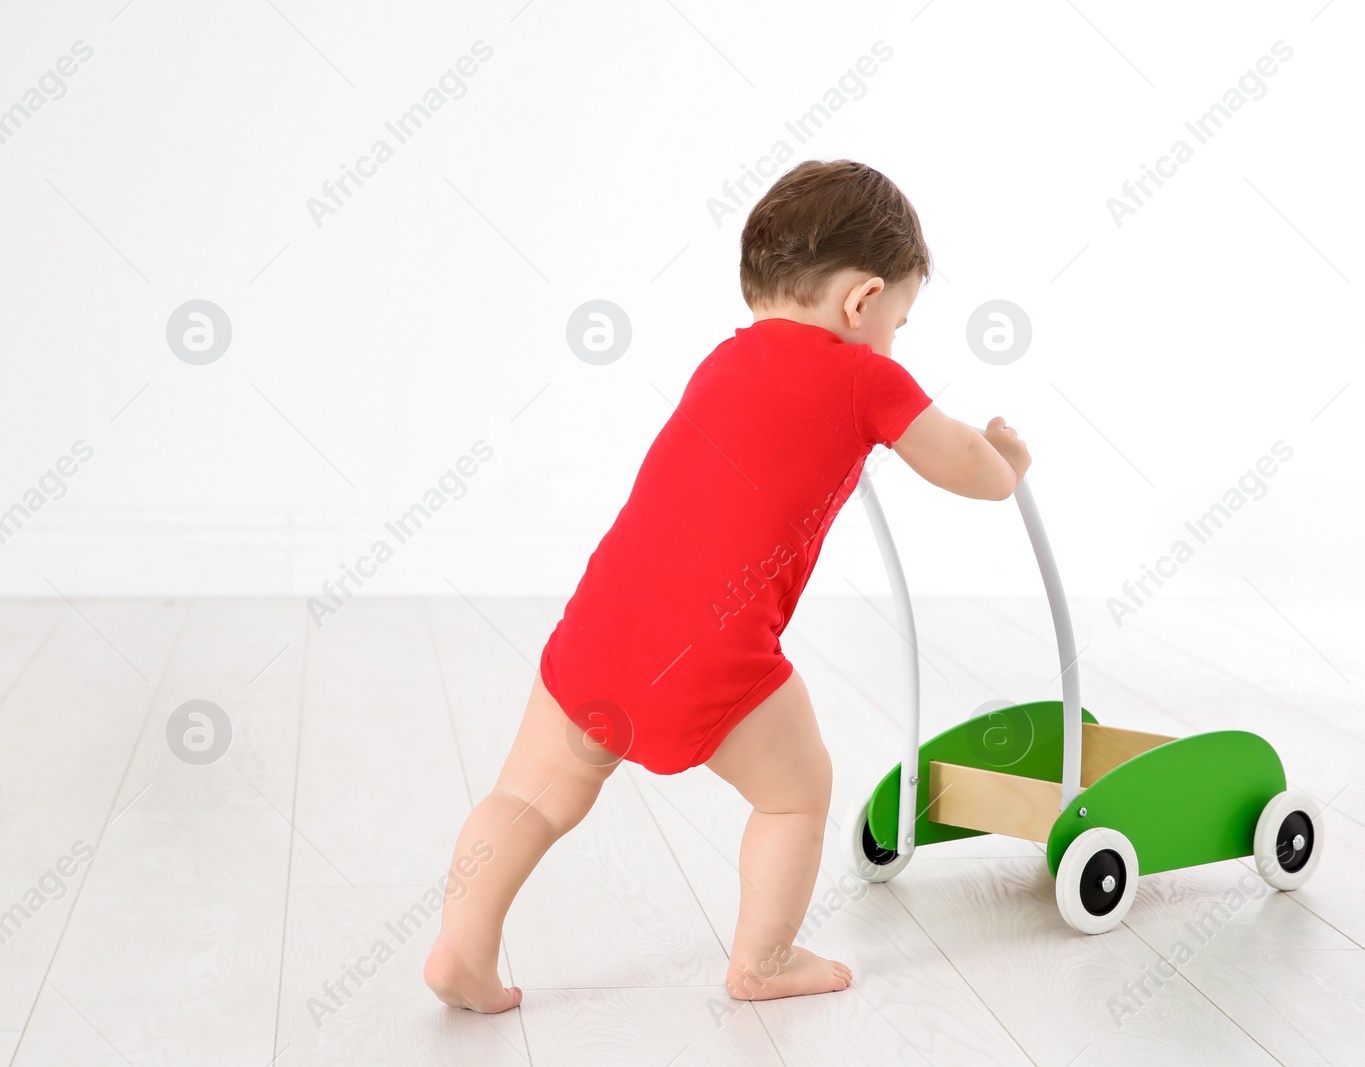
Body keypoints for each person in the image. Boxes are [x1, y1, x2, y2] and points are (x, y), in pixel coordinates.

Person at [424, 158, 1031, 1013]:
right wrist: (1006, 461)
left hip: (600, 626)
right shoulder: (866, 376)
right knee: (797, 792)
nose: (895, 340)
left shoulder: (724, 360)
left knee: (529, 792)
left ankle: (461, 948)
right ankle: (763, 959)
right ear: (862, 302)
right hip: (713, 652)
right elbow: (960, 463)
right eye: (900, 319)